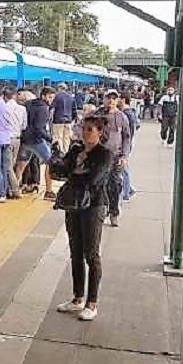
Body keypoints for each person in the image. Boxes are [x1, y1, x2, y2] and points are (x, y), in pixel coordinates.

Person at [53, 115, 113, 322]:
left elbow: (94, 179)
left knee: (91, 254)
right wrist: (56, 159)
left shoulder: (105, 154)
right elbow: (61, 172)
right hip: (73, 205)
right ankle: (78, 298)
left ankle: (92, 303)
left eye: (89, 129)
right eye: (83, 128)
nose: (85, 132)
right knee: (75, 252)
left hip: (94, 206)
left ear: (99, 132)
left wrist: (74, 172)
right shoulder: (76, 150)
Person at [94, 90, 132, 227]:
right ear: (104, 99)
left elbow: (127, 137)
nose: (111, 101)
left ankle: (114, 212)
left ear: (117, 101)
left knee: (115, 186)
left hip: (116, 157)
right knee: (99, 184)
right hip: (99, 156)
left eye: (114, 99)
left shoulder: (122, 117)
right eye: (108, 98)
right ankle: (101, 210)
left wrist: (125, 155)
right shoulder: (97, 115)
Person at [15, 87, 57, 200]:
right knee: (51, 163)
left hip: (25, 140)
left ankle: (14, 189)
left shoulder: (28, 104)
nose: (51, 100)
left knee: (20, 165)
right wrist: (50, 139)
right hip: (37, 141)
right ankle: (48, 191)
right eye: (50, 97)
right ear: (43, 96)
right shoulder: (44, 109)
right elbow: (39, 128)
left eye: (52, 98)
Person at [4, 88, 27, 200]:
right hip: (17, 139)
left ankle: (15, 190)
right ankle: (10, 189)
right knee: (12, 164)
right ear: (14, 96)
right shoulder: (22, 109)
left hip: (7, 140)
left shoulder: (4, 108)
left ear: (4, 97)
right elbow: (24, 126)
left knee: (8, 166)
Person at [118, 93, 140, 202]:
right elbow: (137, 125)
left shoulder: (126, 114)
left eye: (118, 97)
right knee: (123, 167)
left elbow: (127, 132)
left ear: (123, 99)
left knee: (123, 168)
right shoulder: (130, 113)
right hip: (127, 143)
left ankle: (126, 193)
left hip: (124, 144)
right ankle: (129, 189)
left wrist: (125, 145)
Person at [52, 83, 76, 154]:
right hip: (68, 121)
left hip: (58, 121)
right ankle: (66, 152)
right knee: (67, 138)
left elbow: (52, 108)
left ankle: (60, 153)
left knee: (58, 138)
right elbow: (74, 110)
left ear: (59, 88)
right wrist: (72, 119)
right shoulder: (71, 98)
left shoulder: (56, 97)